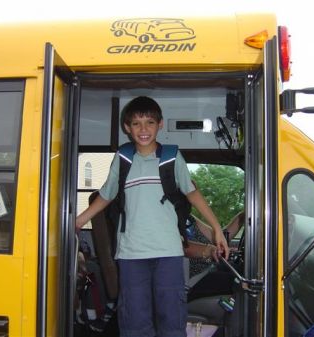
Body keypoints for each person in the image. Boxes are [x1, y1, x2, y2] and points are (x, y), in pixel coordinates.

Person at [75, 96, 228, 337]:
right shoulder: (123, 159)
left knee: (172, 319)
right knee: (135, 321)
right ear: (127, 128)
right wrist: (79, 220)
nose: (143, 129)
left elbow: (192, 194)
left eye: (149, 122)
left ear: (160, 125)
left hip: (168, 252)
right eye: (136, 123)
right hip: (131, 254)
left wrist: (217, 228)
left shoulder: (171, 157)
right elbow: (105, 195)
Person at [184, 211, 245, 301]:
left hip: (208, 269)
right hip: (192, 281)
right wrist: (210, 250)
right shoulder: (167, 219)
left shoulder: (187, 217)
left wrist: (242, 217)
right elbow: (180, 247)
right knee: (240, 284)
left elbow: (220, 237)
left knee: (243, 272)